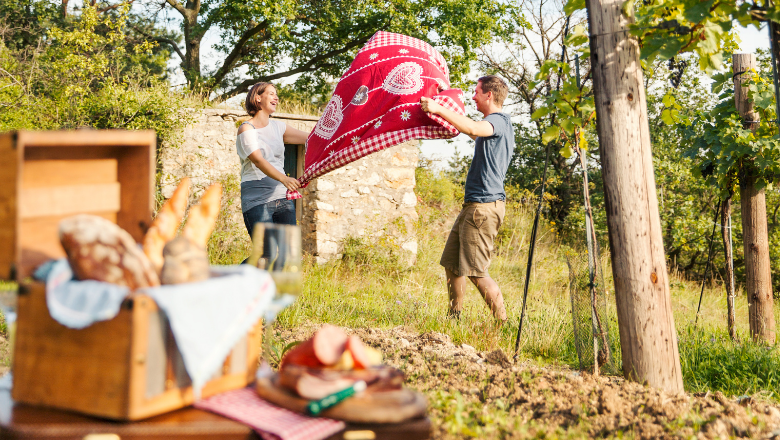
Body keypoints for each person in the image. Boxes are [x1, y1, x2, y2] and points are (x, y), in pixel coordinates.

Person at [420, 75, 514, 322]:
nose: (473, 97)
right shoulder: (493, 127)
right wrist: (446, 103)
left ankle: (502, 325)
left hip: (483, 207)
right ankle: (455, 317)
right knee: (452, 264)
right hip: (473, 205)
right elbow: (468, 129)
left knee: (476, 271)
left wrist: (438, 108)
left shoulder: (498, 121)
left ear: (489, 95)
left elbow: (472, 127)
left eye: (476, 92)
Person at [236, 82, 310, 237]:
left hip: (282, 197)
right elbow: (258, 160)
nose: (276, 97)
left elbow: (311, 138)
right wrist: (284, 179)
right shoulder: (247, 129)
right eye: (271, 93)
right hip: (257, 199)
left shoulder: (279, 127)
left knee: (288, 253)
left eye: (276, 94)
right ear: (257, 98)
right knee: (266, 254)